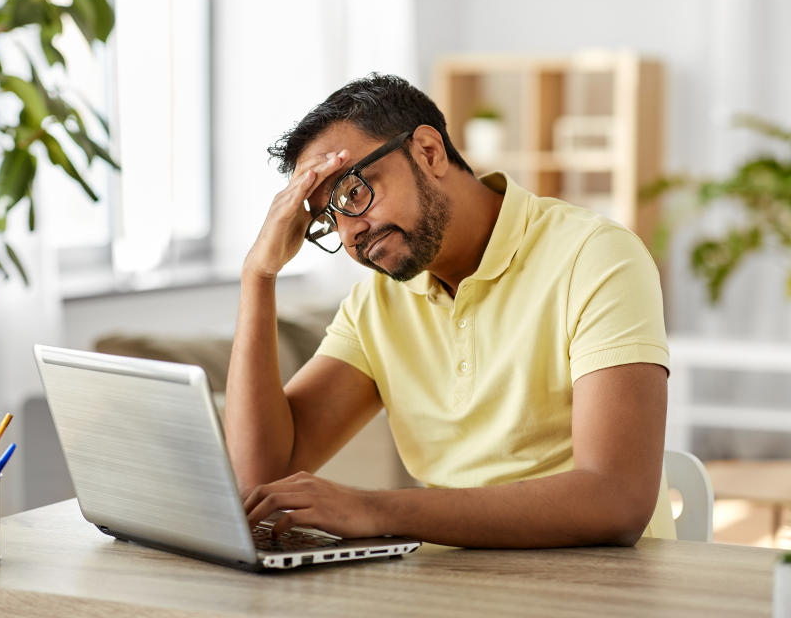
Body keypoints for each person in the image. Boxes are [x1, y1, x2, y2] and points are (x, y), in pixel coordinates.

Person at [224, 73, 674, 548]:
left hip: (599, 591)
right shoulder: (377, 305)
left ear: (428, 152)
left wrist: (375, 509)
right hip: (447, 585)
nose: (350, 232)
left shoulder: (596, 256)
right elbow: (259, 479)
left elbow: (616, 499)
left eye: (353, 191)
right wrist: (258, 275)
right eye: (328, 218)